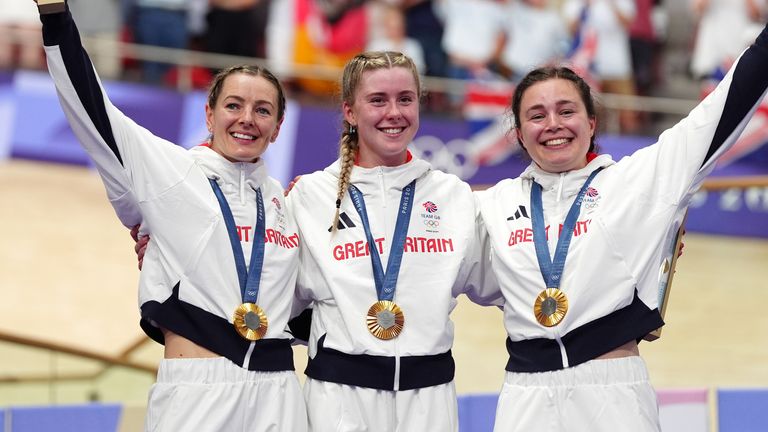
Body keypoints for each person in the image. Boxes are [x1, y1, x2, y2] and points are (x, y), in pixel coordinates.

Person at [476, 20, 768, 432]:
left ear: (592, 122)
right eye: (536, 115)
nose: (553, 124)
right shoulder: (489, 206)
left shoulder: (639, 180)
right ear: (520, 133)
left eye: (567, 110)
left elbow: (722, 108)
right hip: (524, 396)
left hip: (613, 394)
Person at [36, 3, 307, 431]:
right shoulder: (170, 171)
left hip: (280, 391)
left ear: (277, 126)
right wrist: (55, 16)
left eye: (262, 111)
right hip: (197, 391)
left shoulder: (287, 205)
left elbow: (310, 302)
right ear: (209, 113)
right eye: (233, 105)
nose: (246, 120)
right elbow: (92, 109)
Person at [286, 51, 502, 431]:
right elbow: (272, 285)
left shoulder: (453, 195)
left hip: (430, 399)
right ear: (350, 112)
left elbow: (512, 272)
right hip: (339, 400)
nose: (394, 112)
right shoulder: (310, 197)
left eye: (405, 99)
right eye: (377, 100)